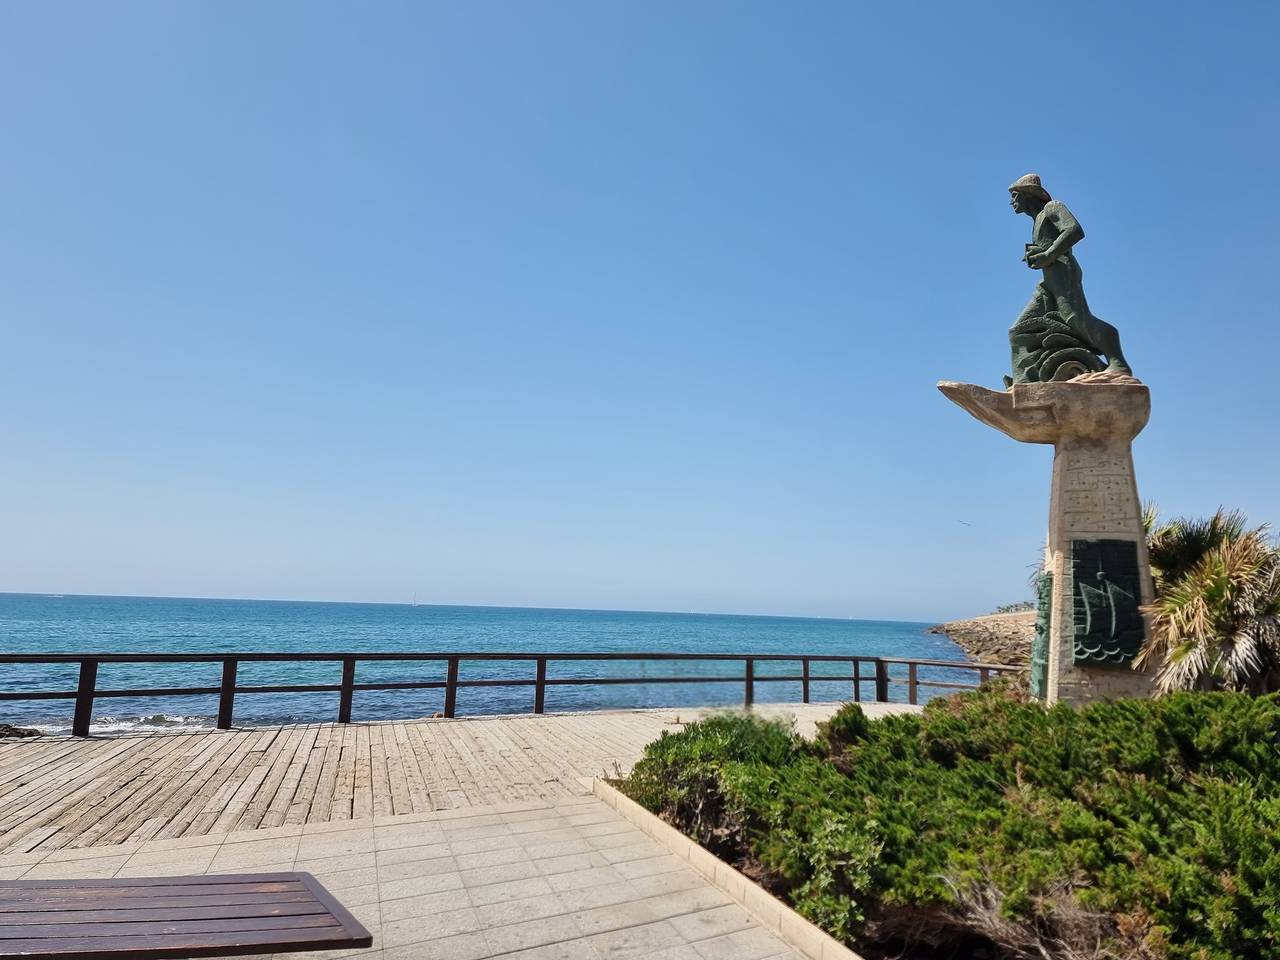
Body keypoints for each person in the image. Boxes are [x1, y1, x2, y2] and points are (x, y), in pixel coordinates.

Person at [1008, 174, 1132, 375]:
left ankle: (1118, 363)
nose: (1011, 202)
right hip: (1048, 280)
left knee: (1076, 319)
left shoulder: (1052, 207)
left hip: (1063, 273)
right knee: (1020, 329)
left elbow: (1074, 230)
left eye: (1015, 195)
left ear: (1027, 193)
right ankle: (1024, 382)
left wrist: (1048, 254)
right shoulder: (1037, 219)